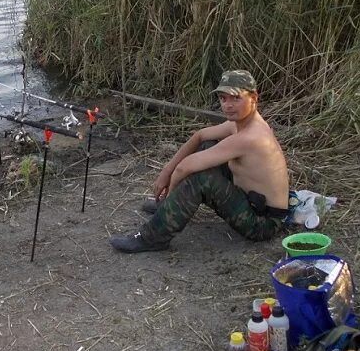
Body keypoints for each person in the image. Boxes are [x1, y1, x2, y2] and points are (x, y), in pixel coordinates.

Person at [111, 70, 290, 253]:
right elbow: (200, 136)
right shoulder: (240, 125)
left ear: (253, 98)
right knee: (207, 144)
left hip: (264, 223)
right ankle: (166, 209)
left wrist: (168, 196)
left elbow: (184, 168)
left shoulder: (251, 136)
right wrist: (166, 170)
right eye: (223, 98)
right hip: (250, 199)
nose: (227, 105)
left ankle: (153, 237)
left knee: (201, 178)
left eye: (235, 98)